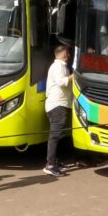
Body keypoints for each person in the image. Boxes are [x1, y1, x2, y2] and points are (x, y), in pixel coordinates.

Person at [43, 43, 73, 177]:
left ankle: (54, 161)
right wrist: (74, 75)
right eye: (68, 54)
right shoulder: (58, 67)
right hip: (57, 105)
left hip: (59, 104)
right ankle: (50, 165)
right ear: (65, 55)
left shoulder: (59, 66)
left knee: (58, 134)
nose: (69, 56)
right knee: (55, 135)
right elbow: (62, 82)